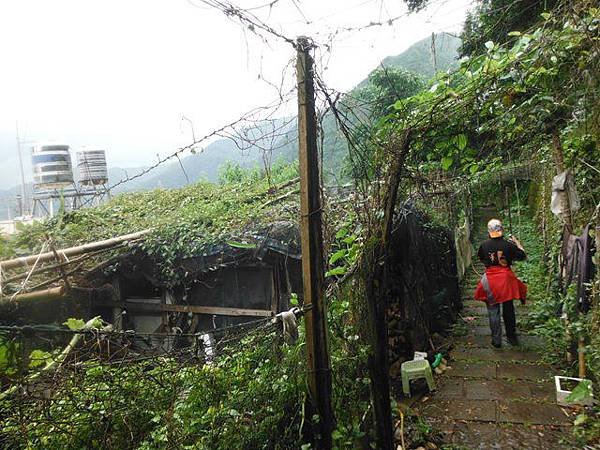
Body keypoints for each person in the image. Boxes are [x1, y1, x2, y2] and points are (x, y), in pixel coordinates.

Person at [474, 218, 527, 348]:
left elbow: (481, 257)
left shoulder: (484, 245)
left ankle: (496, 340)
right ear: (501, 230)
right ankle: (511, 337)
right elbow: (522, 255)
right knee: (508, 308)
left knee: (493, 310)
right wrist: (516, 242)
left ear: (489, 231)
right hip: (505, 280)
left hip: (490, 280)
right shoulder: (508, 245)